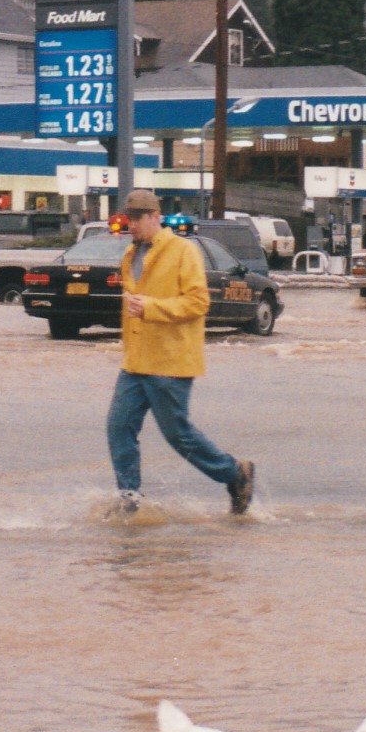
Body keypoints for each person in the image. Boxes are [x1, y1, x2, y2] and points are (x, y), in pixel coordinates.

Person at [105, 188, 255, 516]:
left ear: (156, 217)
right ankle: (129, 497)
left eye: (139, 218)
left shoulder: (182, 251)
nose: (133, 224)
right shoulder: (130, 255)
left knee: (178, 435)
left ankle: (234, 473)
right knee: (118, 426)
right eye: (129, 218)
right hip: (135, 362)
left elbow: (199, 302)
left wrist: (152, 308)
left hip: (170, 361)